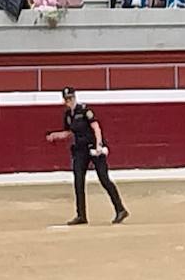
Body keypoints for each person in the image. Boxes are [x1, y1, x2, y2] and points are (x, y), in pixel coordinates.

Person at [45, 87, 128, 226]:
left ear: (74, 98)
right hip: (80, 150)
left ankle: (120, 209)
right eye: (66, 99)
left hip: (93, 148)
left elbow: (96, 127)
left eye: (70, 98)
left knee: (104, 178)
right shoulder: (68, 115)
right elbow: (68, 133)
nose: (69, 101)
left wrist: (99, 145)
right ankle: (81, 215)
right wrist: (55, 135)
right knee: (78, 181)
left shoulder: (84, 111)